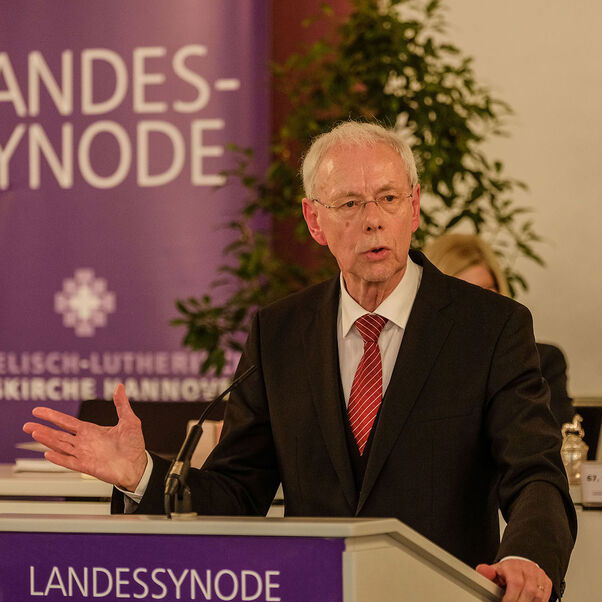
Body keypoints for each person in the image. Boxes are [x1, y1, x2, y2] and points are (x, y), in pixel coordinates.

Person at [24, 122, 576, 602]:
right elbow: (238, 492)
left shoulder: (490, 327)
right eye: (350, 204)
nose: (373, 220)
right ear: (314, 220)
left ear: (414, 207)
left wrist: (529, 557)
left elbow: (534, 473)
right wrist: (141, 473)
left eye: (388, 198)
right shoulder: (280, 333)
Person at [424, 233, 575, 426]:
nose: (479, 305)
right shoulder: (416, 367)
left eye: (486, 291)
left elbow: (551, 438)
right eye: (465, 294)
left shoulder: (541, 362)